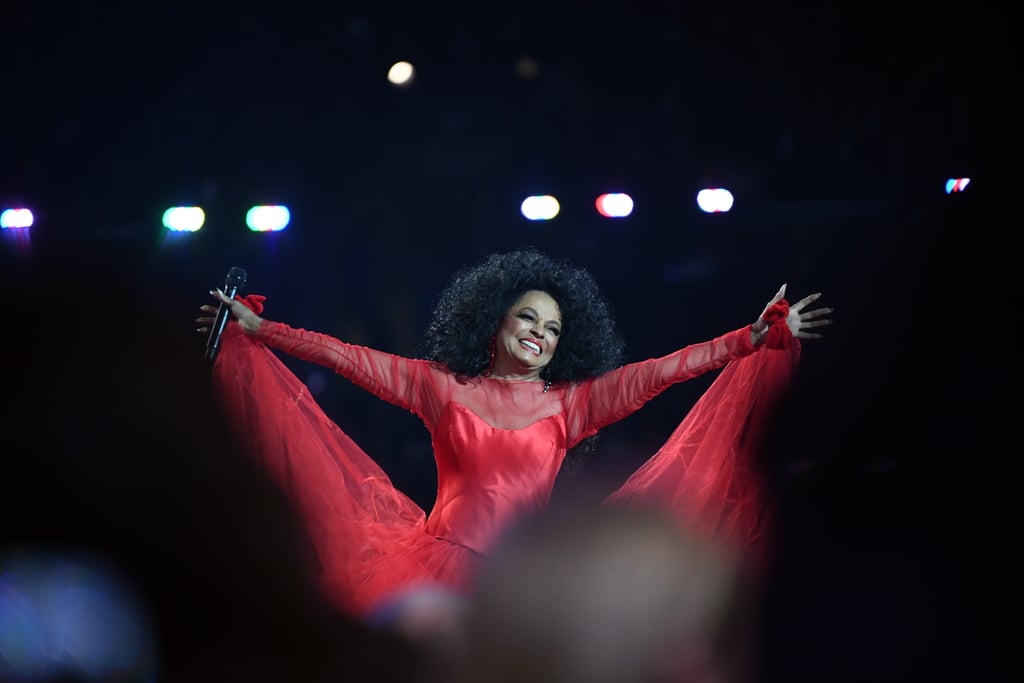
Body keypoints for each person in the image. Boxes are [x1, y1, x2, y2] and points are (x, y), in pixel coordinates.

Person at [195, 246, 831, 620]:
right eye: (529, 317)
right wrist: (265, 332)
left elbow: (663, 371)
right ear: (495, 322)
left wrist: (746, 339)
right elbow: (344, 356)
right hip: (436, 574)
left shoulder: (574, 404)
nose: (540, 334)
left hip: (526, 583)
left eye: (553, 329)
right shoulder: (438, 385)